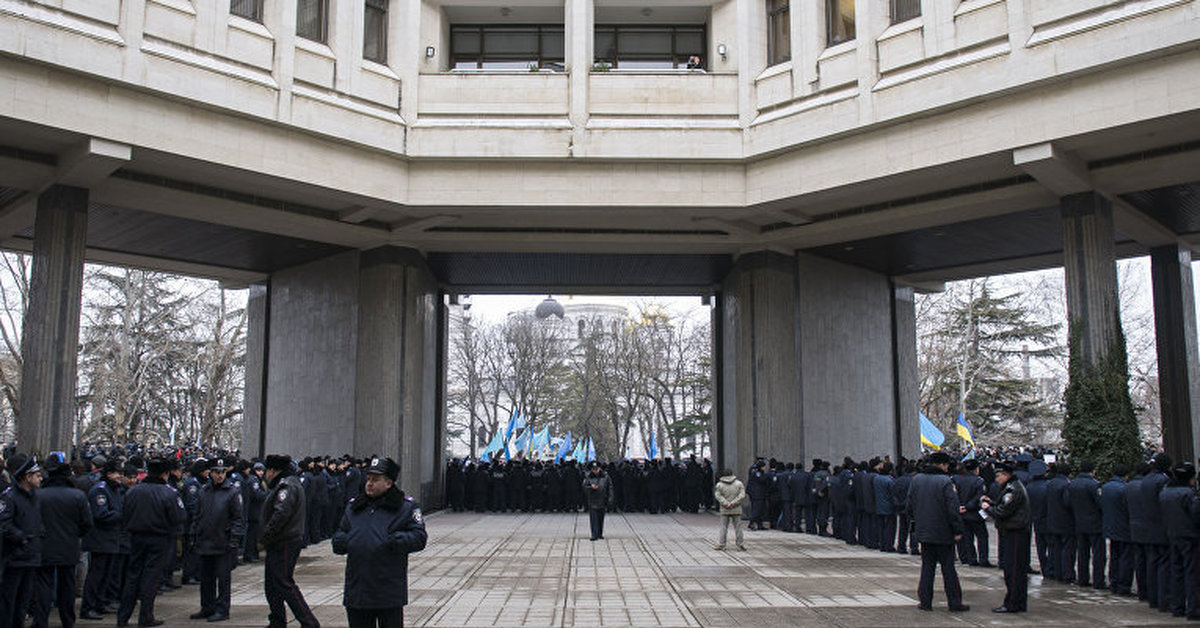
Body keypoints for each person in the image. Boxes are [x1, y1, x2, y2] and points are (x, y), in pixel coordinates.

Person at [331, 457, 427, 628]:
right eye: (368, 479)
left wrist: (392, 541)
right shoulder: (355, 506)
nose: (369, 484)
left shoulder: (405, 507)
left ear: (388, 483)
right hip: (358, 590)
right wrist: (346, 541)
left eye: (375, 480)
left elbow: (419, 537)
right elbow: (340, 533)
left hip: (388, 591)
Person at [117, 457, 186, 628]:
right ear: (165, 474)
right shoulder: (169, 493)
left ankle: (123, 617)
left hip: (136, 537)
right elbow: (179, 517)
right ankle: (146, 615)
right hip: (159, 538)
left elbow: (124, 514)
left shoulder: (133, 491)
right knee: (151, 578)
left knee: (133, 576)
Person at [261, 454, 320, 628]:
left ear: (272, 470)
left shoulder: (286, 486)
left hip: (284, 541)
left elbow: (281, 513)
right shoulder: (289, 484)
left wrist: (267, 534)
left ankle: (309, 622)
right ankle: (277, 620)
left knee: (284, 583)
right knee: (272, 585)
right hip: (279, 541)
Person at [34, 454, 93, 628]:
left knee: (43, 585)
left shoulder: (38, 496)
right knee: (67, 585)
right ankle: (68, 620)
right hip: (69, 545)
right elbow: (87, 523)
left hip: (44, 545)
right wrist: (75, 534)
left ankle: (41, 620)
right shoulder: (77, 496)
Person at [906, 451, 968, 612]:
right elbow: (952, 510)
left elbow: (909, 506)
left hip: (924, 531)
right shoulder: (945, 482)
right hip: (943, 532)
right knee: (948, 569)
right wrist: (958, 529)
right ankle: (954, 602)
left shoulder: (916, 480)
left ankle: (925, 601)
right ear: (941, 464)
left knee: (927, 568)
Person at [189, 458, 245, 623]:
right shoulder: (203, 491)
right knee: (206, 579)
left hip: (223, 542)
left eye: (222, 472)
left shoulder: (232, 492)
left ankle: (222, 609)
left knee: (223, 579)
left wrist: (234, 540)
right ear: (210, 473)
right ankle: (207, 607)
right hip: (205, 540)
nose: (220, 475)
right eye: (216, 472)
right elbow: (197, 516)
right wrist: (193, 536)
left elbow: (237, 518)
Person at [0, 453, 44, 628]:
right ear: (27, 477)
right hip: (14, 558)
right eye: (37, 475)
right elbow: (4, 524)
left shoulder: (34, 497)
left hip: (30, 557)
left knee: (22, 604)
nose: (40, 478)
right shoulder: (9, 497)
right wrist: (21, 537)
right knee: (9, 603)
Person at [981, 462, 1030, 613]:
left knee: (1013, 569)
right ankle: (1017, 601)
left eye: (998, 476)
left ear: (1006, 475)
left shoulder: (1013, 489)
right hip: (1014, 531)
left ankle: (1013, 603)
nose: (996, 479)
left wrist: (988, 508)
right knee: (1015, 569)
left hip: (1014, 532)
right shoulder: (1013, 487)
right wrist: (993, 503)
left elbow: (1004, 511)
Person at [80, 459, 124, 620]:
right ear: (108, 474)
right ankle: (88, 606)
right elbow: (101, 514)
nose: (120, 476)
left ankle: (100, 602)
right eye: (117, 473)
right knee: (96, 575)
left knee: (106, 575)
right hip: (100, 539)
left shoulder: (115, 489)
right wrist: (121, 516)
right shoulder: (100, 490)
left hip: (111, 538)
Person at [713, 468, 746, 551]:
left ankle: (722, 544)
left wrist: (726, 503)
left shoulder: (719, 485)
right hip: (736, 508)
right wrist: (733, 503)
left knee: (723, 527)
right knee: (738, 527)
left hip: (725, 509)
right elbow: (742, 495)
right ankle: (740, 544)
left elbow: (718, 496)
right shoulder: (739, 484)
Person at [582, 462, 613, 541]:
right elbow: (584, 487)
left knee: (600, 518)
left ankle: (599, 533)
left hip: (602, 499)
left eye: (597, 469)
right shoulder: (588, 476)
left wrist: (610, 498)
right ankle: (594, 534)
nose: (595, 471)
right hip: (592, 499)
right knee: (593, 518)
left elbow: (610, 487)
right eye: (594, 469)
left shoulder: (605, 476)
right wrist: (590, 488)